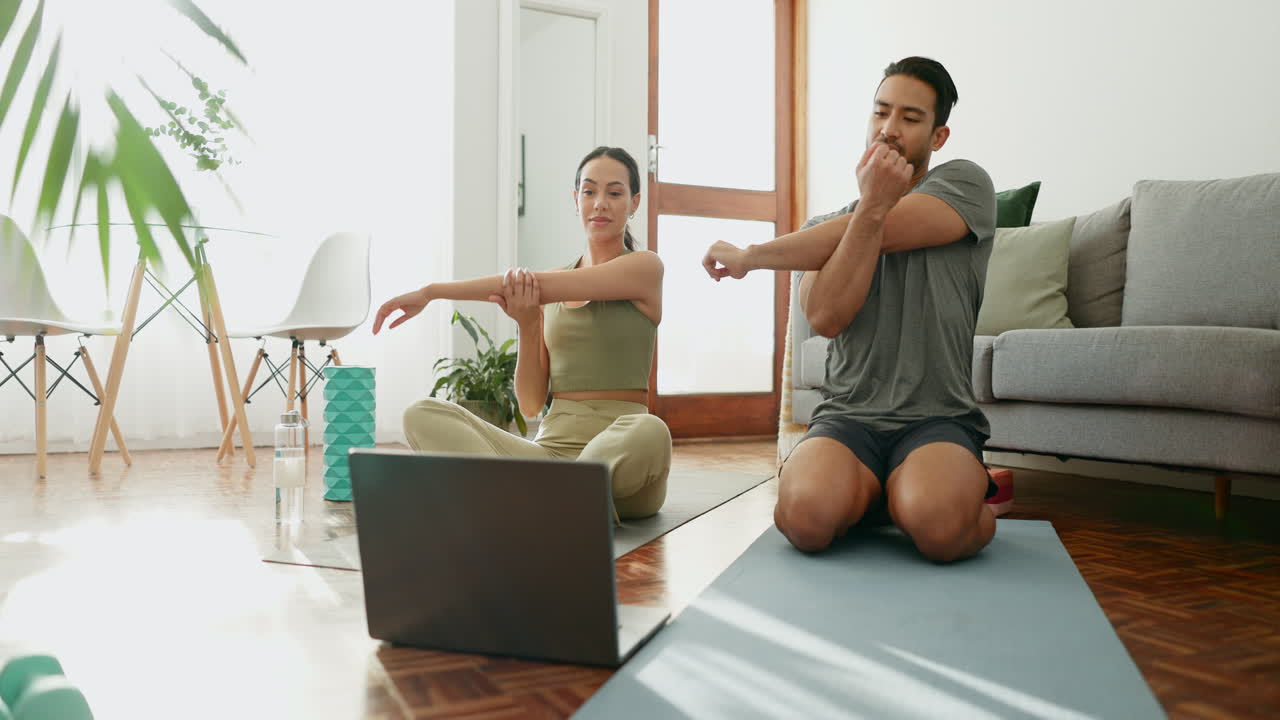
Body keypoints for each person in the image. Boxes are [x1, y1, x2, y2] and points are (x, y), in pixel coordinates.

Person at [701, 57, 998, 562]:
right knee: (804, 519)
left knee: (941, 529)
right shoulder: (824, 230)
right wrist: (867, 209)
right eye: (881, 113)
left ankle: (961, 495)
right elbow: (826, 318)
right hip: (848, 420)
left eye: (910, 117)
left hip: (937, 420)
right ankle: (879, 494)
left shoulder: (965, 186)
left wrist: (752, 256)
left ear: (938, 136)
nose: (889, 129)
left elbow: (892, 226)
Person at [374, 146, 671, 521]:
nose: (600, 203)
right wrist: (528, 324)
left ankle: (536, 496)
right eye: (589, 191)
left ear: (634, 203)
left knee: (650, 429)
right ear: (575, 199)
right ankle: (557, 499)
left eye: (614, 193)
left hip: (622, 466)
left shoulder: (644, 268)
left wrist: (432, 292)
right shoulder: (544, 296)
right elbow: (531, 405)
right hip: (547, 458)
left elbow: (537, 284)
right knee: (422, 414)